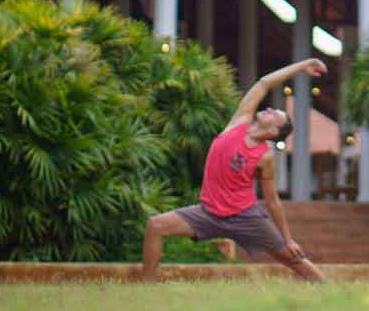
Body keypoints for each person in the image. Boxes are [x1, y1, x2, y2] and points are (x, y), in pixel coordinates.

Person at [141, 58, 329, 282]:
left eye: (274, 114)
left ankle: (329, 289)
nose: (268, 108)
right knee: (155, 225)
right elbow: (264, 84)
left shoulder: (265, 156)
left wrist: (288, 239)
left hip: (245, 217)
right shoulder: (239, 122)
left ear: (272, 132)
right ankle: (148, 284)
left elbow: (272, 200)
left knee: (292, 258)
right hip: (208, 212)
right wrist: (301, 66)